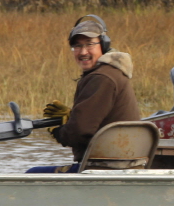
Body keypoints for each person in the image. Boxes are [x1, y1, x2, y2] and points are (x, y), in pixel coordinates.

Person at [30, 15, 141, 173]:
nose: (83, 52)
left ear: (103, 44)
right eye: (77, 46)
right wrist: (72, 117)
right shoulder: (111, 72)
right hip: (119, 165)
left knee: (32, 174)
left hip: (104, 168)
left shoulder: (101, 78)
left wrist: (58, 131)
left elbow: (79, 133)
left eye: (89, 44)